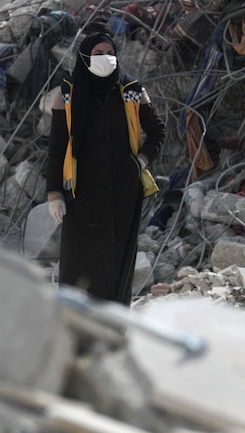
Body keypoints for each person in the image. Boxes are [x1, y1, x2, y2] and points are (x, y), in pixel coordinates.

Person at [45, 31, 166, 305]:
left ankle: (116, 325)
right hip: (82, 191)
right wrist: (54, 194)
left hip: (123, 190)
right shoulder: (67, 93)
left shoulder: (132, 90)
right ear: (85, 56)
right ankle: (77, 326)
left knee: (118, 259)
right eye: (97, 54)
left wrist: (142, 161)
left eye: (109, 53)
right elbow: (56, 147)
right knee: (79, 261)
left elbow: (157, 131)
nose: (105, 59)